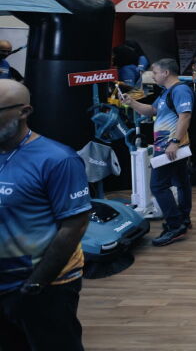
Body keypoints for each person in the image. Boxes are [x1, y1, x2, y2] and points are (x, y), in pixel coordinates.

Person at [0, 80, 91, 350]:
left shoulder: (58, 159)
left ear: (24, 112)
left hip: (43, 286)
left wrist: (36, 285)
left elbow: (74, 224)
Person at [121, 58, 194, 244]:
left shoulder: (180, 90)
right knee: (180, 181)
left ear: (166, 73)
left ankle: (175, 225)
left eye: (155, 72)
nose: (153, 76)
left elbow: (185, 116)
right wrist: (131, 102)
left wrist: (175, 141)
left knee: (158, 186)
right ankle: (182, 219)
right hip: (169, 146)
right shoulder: (165, 93)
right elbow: (152, 110)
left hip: (171, 147)